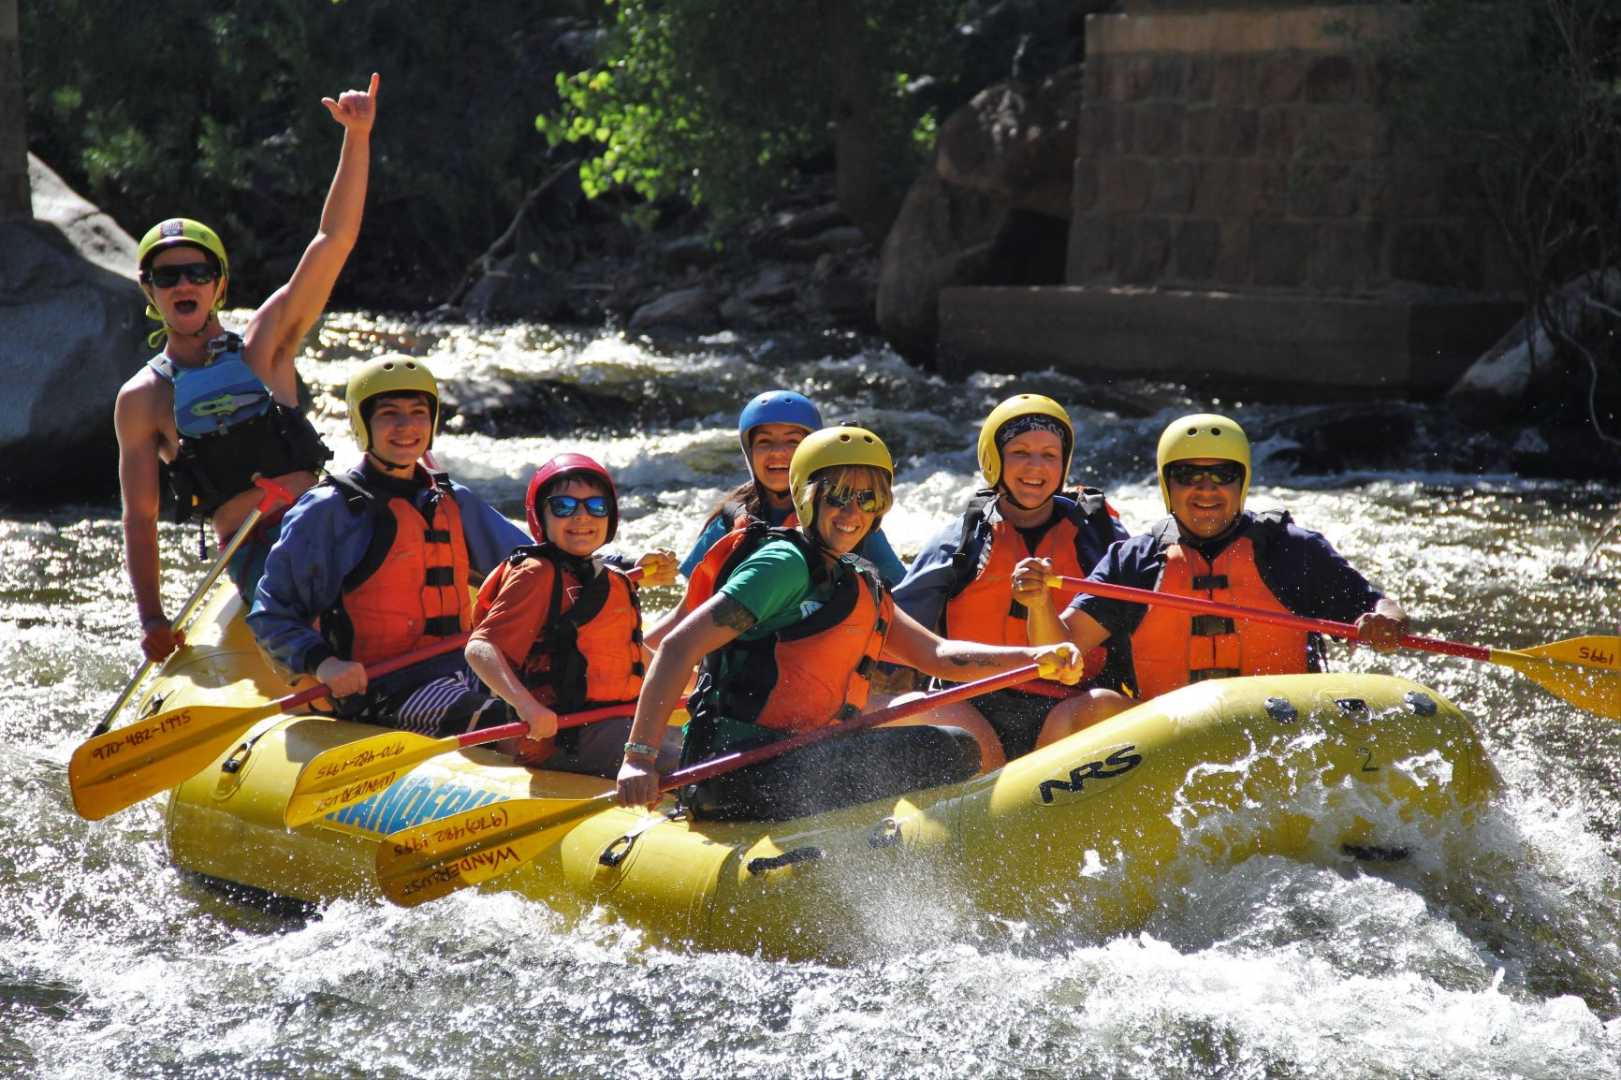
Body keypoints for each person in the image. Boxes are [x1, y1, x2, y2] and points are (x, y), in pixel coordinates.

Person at [615, 425, 1085, 820]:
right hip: (738, 771)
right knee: (944, 748)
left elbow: (939, 656)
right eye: (837, 497)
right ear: (806, 499)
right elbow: (679, 647)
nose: (851, 513)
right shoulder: (782, 564)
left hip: (806, 760)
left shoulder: (859, 579)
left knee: (953, 748)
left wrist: (1033, 657)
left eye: (866, 498)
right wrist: (639, 759)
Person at [114, 73, 381, 664]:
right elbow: (141, 517)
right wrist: (152, 617)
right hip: (263, 552)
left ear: (219, 284)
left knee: (429, 486)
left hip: (331, 523)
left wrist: (356, 137)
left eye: (197, 273)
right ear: (150, 291)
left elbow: (331, 240)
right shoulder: (144, 398)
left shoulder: (266, 345)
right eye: (167, 276)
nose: (184, 283)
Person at [1015, 412, 1409, 726]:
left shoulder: (1293, 550)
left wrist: (1386, 622)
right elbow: (1059, 650)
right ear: (1168, 485)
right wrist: (1037, 603)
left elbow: (1378, 606)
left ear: (1242, 483)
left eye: (1223, 475)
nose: (1207, 489)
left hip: (1282, 727)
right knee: (1086, 710)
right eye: (1188, 476)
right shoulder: (1135, 562)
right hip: (1168, 736)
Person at [247, 357, 535, 737]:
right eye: (389, 414)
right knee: (506, 723)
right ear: (362, 424)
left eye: (418, 412)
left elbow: (532, 564)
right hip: (380, 688)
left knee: (553, 697)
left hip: (463, 667)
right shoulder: (329, 511)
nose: (405, 426)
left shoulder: (452, 500)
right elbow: (271, 613)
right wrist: (323, 664)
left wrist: (609, 568)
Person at [889, 394, 1133, 761]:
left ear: (1064, 464)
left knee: (1097, 706)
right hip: (975, 706)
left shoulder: (1098, 535)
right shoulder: (961, 542)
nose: (1035, 467)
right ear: (994, 459)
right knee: (909, 705)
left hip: (1072, 704)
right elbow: (895, 635)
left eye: (1049, 455)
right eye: (1020, 452)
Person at [464, 453, 681, 774]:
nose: (582, 517)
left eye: (596, 507)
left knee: (704, 744)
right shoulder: (534, 574)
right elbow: (480, 649)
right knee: (690, 759)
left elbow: (626, 654)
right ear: (541, 516)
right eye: (564, 507)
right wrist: (527, 706)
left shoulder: (605, 575)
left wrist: (694, 682)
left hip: (616, 721)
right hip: (566, 736)